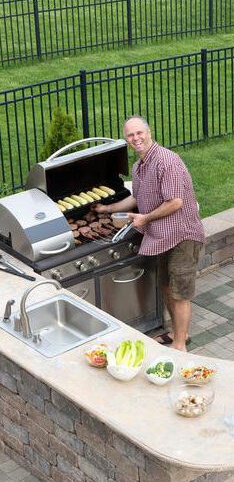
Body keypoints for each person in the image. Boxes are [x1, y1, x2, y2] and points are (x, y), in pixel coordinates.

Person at [95, 115, 205, 352]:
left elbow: (175, 202)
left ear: (149, 132)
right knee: (166, 286)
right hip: (162, 237)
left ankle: (180, 346)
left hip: (183, 235)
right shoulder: (139, 165)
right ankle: (176, 333)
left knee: (180, 292)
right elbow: (137, 195)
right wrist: (108, 209)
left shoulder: (167, 161)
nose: (135, 139)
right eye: (130, 135)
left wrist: (145, 218)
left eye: (139, 133)